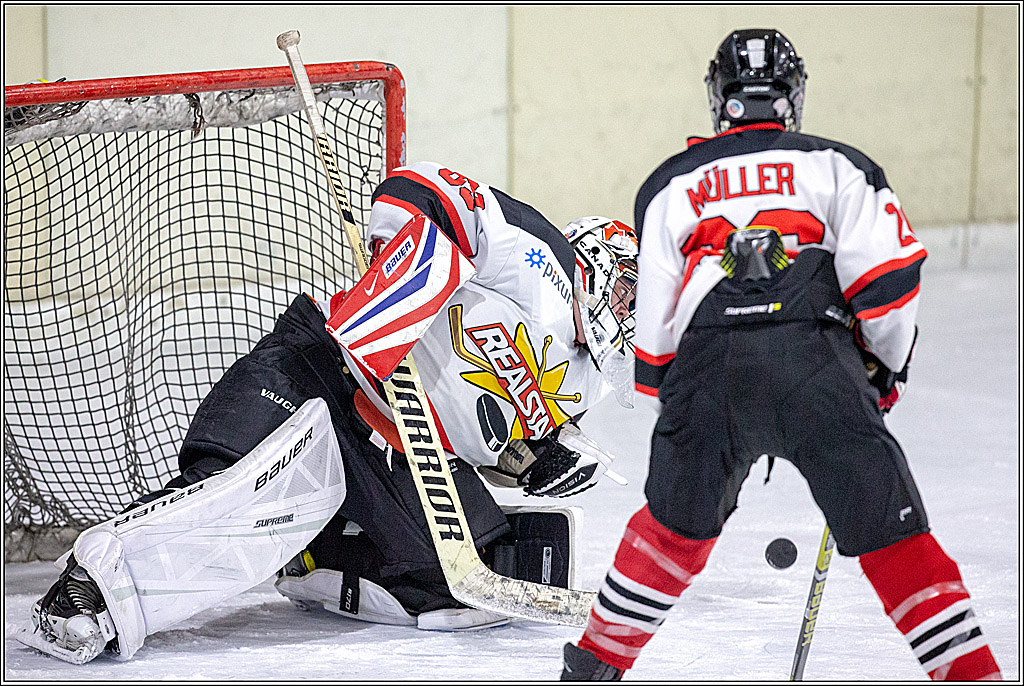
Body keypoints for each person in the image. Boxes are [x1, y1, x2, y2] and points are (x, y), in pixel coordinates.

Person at [17, 161, 640, 664]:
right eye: (626, 287)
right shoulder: (544, 260)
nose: (629, 309)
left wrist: (534, 462)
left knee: (458, 588)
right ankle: (82, 592)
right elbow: (421, 188)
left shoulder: (581, 386)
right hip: (323, 370)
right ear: (598, 254)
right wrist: (396, 301)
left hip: (394, 444)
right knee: (232, 497)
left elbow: (487, 438)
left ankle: (315, 553)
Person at [560, 29, 1002, 681]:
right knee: (895, 539)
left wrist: (684, 421)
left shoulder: (670, 182)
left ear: (719, 98)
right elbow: (889, 285)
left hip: (706, 361)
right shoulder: (840, 163)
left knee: (670, 530)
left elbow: (653, 339)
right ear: (792, 98)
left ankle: (590, 670)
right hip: (814, 356)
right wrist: (878, 374)